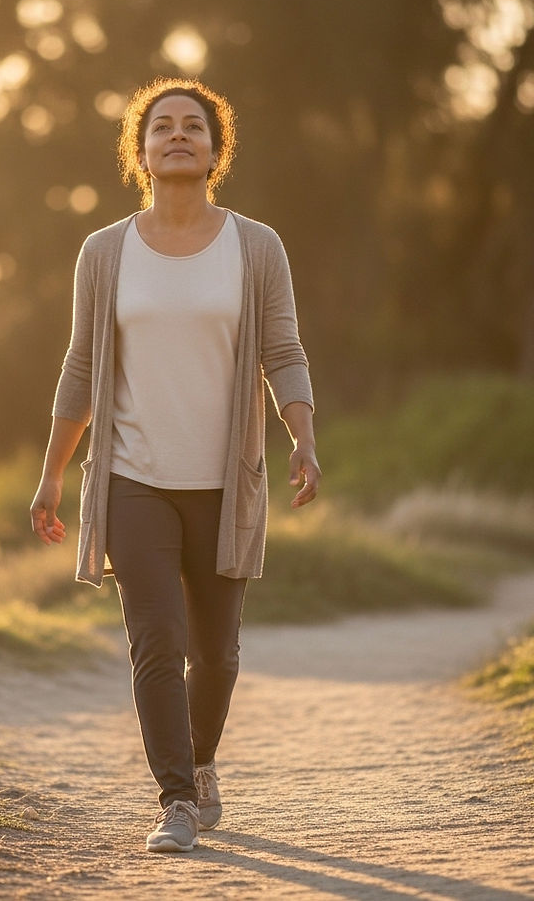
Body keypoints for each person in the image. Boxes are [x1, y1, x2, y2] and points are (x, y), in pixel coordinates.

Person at [30, 77, 320, 853]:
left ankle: (199, 761)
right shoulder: (105, 252)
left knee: (215, 655)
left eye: (195, 125)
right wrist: (53, 472)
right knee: (156, 641)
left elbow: (284, 351)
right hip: (133, 479)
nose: (179, 135)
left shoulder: (255, 246)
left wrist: (302, 437)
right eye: (162, 126)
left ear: (216, 151)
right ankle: (177, 800)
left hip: (225, 484)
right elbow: (80, 367)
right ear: (141, 151)